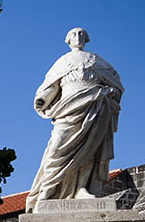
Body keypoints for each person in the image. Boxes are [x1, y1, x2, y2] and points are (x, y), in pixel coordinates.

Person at [25, 27, 123, 212]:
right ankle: (47, 190)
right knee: (57, 148)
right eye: (73, 34)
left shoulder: (96, 60)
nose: (77, 37)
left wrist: (109, 93)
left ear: (86, 38)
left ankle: (81, 188)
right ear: (67, 40)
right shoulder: (62, 62)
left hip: (94, 106)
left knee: (90, 147)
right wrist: (43, 98)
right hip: (68, 108)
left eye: (81, 33)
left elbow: (116, 83)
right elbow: (51, 85)